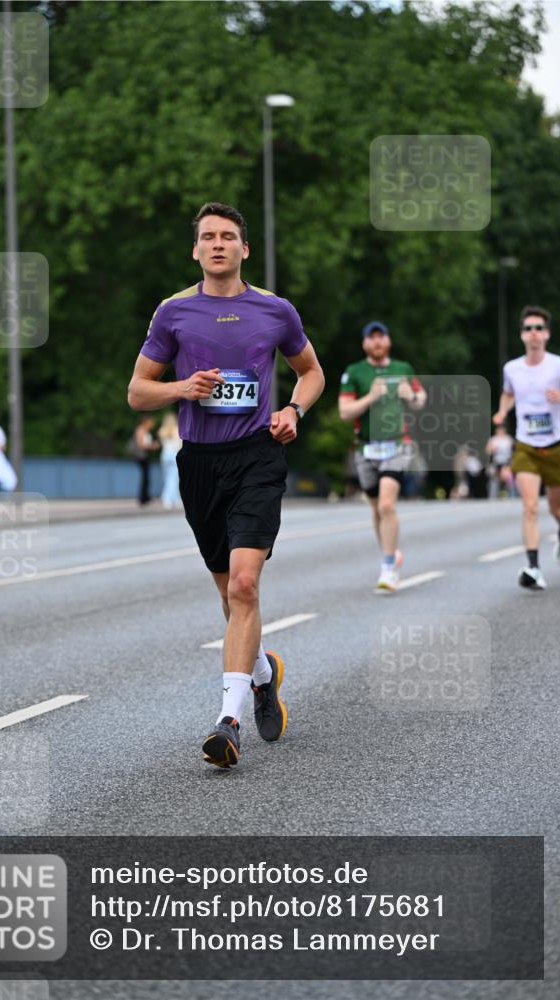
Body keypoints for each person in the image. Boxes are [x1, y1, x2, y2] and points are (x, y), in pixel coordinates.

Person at [127, 202, 324, 768]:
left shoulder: (274, 310)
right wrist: (183, 387)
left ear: (243, 249)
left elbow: (311, 371)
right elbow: (139, 392)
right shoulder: (173, 313)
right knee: (228, 594)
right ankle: (263, 674)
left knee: (243, 586)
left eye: (228, 237)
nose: (218, 244)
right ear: (196, 250)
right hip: (200, 465)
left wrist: (293, 409)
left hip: (258, 456)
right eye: (208, 237)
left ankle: (228, 723)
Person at [338, 321, 426, 592]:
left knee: (387, 505)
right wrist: (371, 397)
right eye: (371, 338)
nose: (376, 342)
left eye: (381, 337)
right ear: (365, 343)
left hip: (397, 444)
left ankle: (388, 567)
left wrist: (409, 394)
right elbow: (345, 412)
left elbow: (420, 401)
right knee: (376, 508)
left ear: (388, 341)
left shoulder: (403, 368)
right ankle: (391, 553)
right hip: (366, 447)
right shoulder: (355, 372)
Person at [493, 305, 560, 590]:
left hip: (557, 445)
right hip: (526, 446)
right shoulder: (512, 368)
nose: (533, 334)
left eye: (538, 328)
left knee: (558, 509)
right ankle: (533, 567)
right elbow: (508, 393)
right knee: (530, 506)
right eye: (528, 329)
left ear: (546, 334)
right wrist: (501, 412)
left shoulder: (559, 365)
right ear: (522, 335)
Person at [132, 415, 160, 506]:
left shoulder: (145, 431)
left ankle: (146, 497)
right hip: (141, 456)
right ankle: (143, 498)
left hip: (145, 456)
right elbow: (141, 445)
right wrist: (153, 446)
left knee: (146, 477)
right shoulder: (140, 430)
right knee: (145, 477)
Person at [158, 412, 182, 509]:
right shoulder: (177, 430)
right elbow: (179, 445)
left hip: (164, 455)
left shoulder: (162, 431)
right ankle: (167, 499)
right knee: (173, 479)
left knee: (168, 478)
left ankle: (175, 500)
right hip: (173, 455)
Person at [485, 424, 515, 499]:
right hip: (497, 462)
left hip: (507, 462)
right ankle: (492, 497)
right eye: (499, 431)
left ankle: (512, 496)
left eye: (502, 430)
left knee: (509, 479)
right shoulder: (493, 439)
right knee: (495, 480)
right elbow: (488, 451)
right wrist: (493, 449)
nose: (501, 432)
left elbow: (515, 449)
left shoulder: (508, 439)